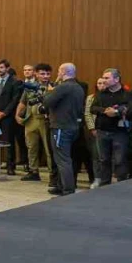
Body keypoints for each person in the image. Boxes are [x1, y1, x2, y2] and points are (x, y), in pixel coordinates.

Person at [89, 68, 132, 187]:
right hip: (102, 131)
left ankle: (121, 185)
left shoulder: (127, 94)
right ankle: (104, 185)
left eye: (107, 78)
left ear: (116, 79)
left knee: (119, 160)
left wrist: (117, 112)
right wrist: (105, 111)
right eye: (103, 78)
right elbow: (93, 108)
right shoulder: (101, 93)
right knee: (103, 159)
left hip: (120, 132)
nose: (104, 80)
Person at [43, 64, 86, 196]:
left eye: (59, 71)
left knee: (63, 160)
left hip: (61, 127)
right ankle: (61, 185)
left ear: (63, 72)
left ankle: (67, 190)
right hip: (73, 126)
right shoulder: (78, 87)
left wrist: (50, 91)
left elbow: (47, 102)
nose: (57, 73)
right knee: (64, 158)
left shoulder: (63, 87)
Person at [15, 64, 52, 182]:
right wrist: (17, 114)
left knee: (48, 148)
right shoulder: (30, 87)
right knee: (31, 147)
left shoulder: (53, 87)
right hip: (31, 119)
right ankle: (33, 171)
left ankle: (53, 173)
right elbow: (23, 102)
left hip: (46, 121)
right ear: (36, 74)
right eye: (42, 73)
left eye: (48, 74)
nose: (45, 76)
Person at [0, 59, 23, 175]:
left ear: (7, 68)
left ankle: (10, 166)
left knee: (8, 142)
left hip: (7, 117)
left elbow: (15, 100)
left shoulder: (15, 82)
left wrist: (4, 113)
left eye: (1, 67)